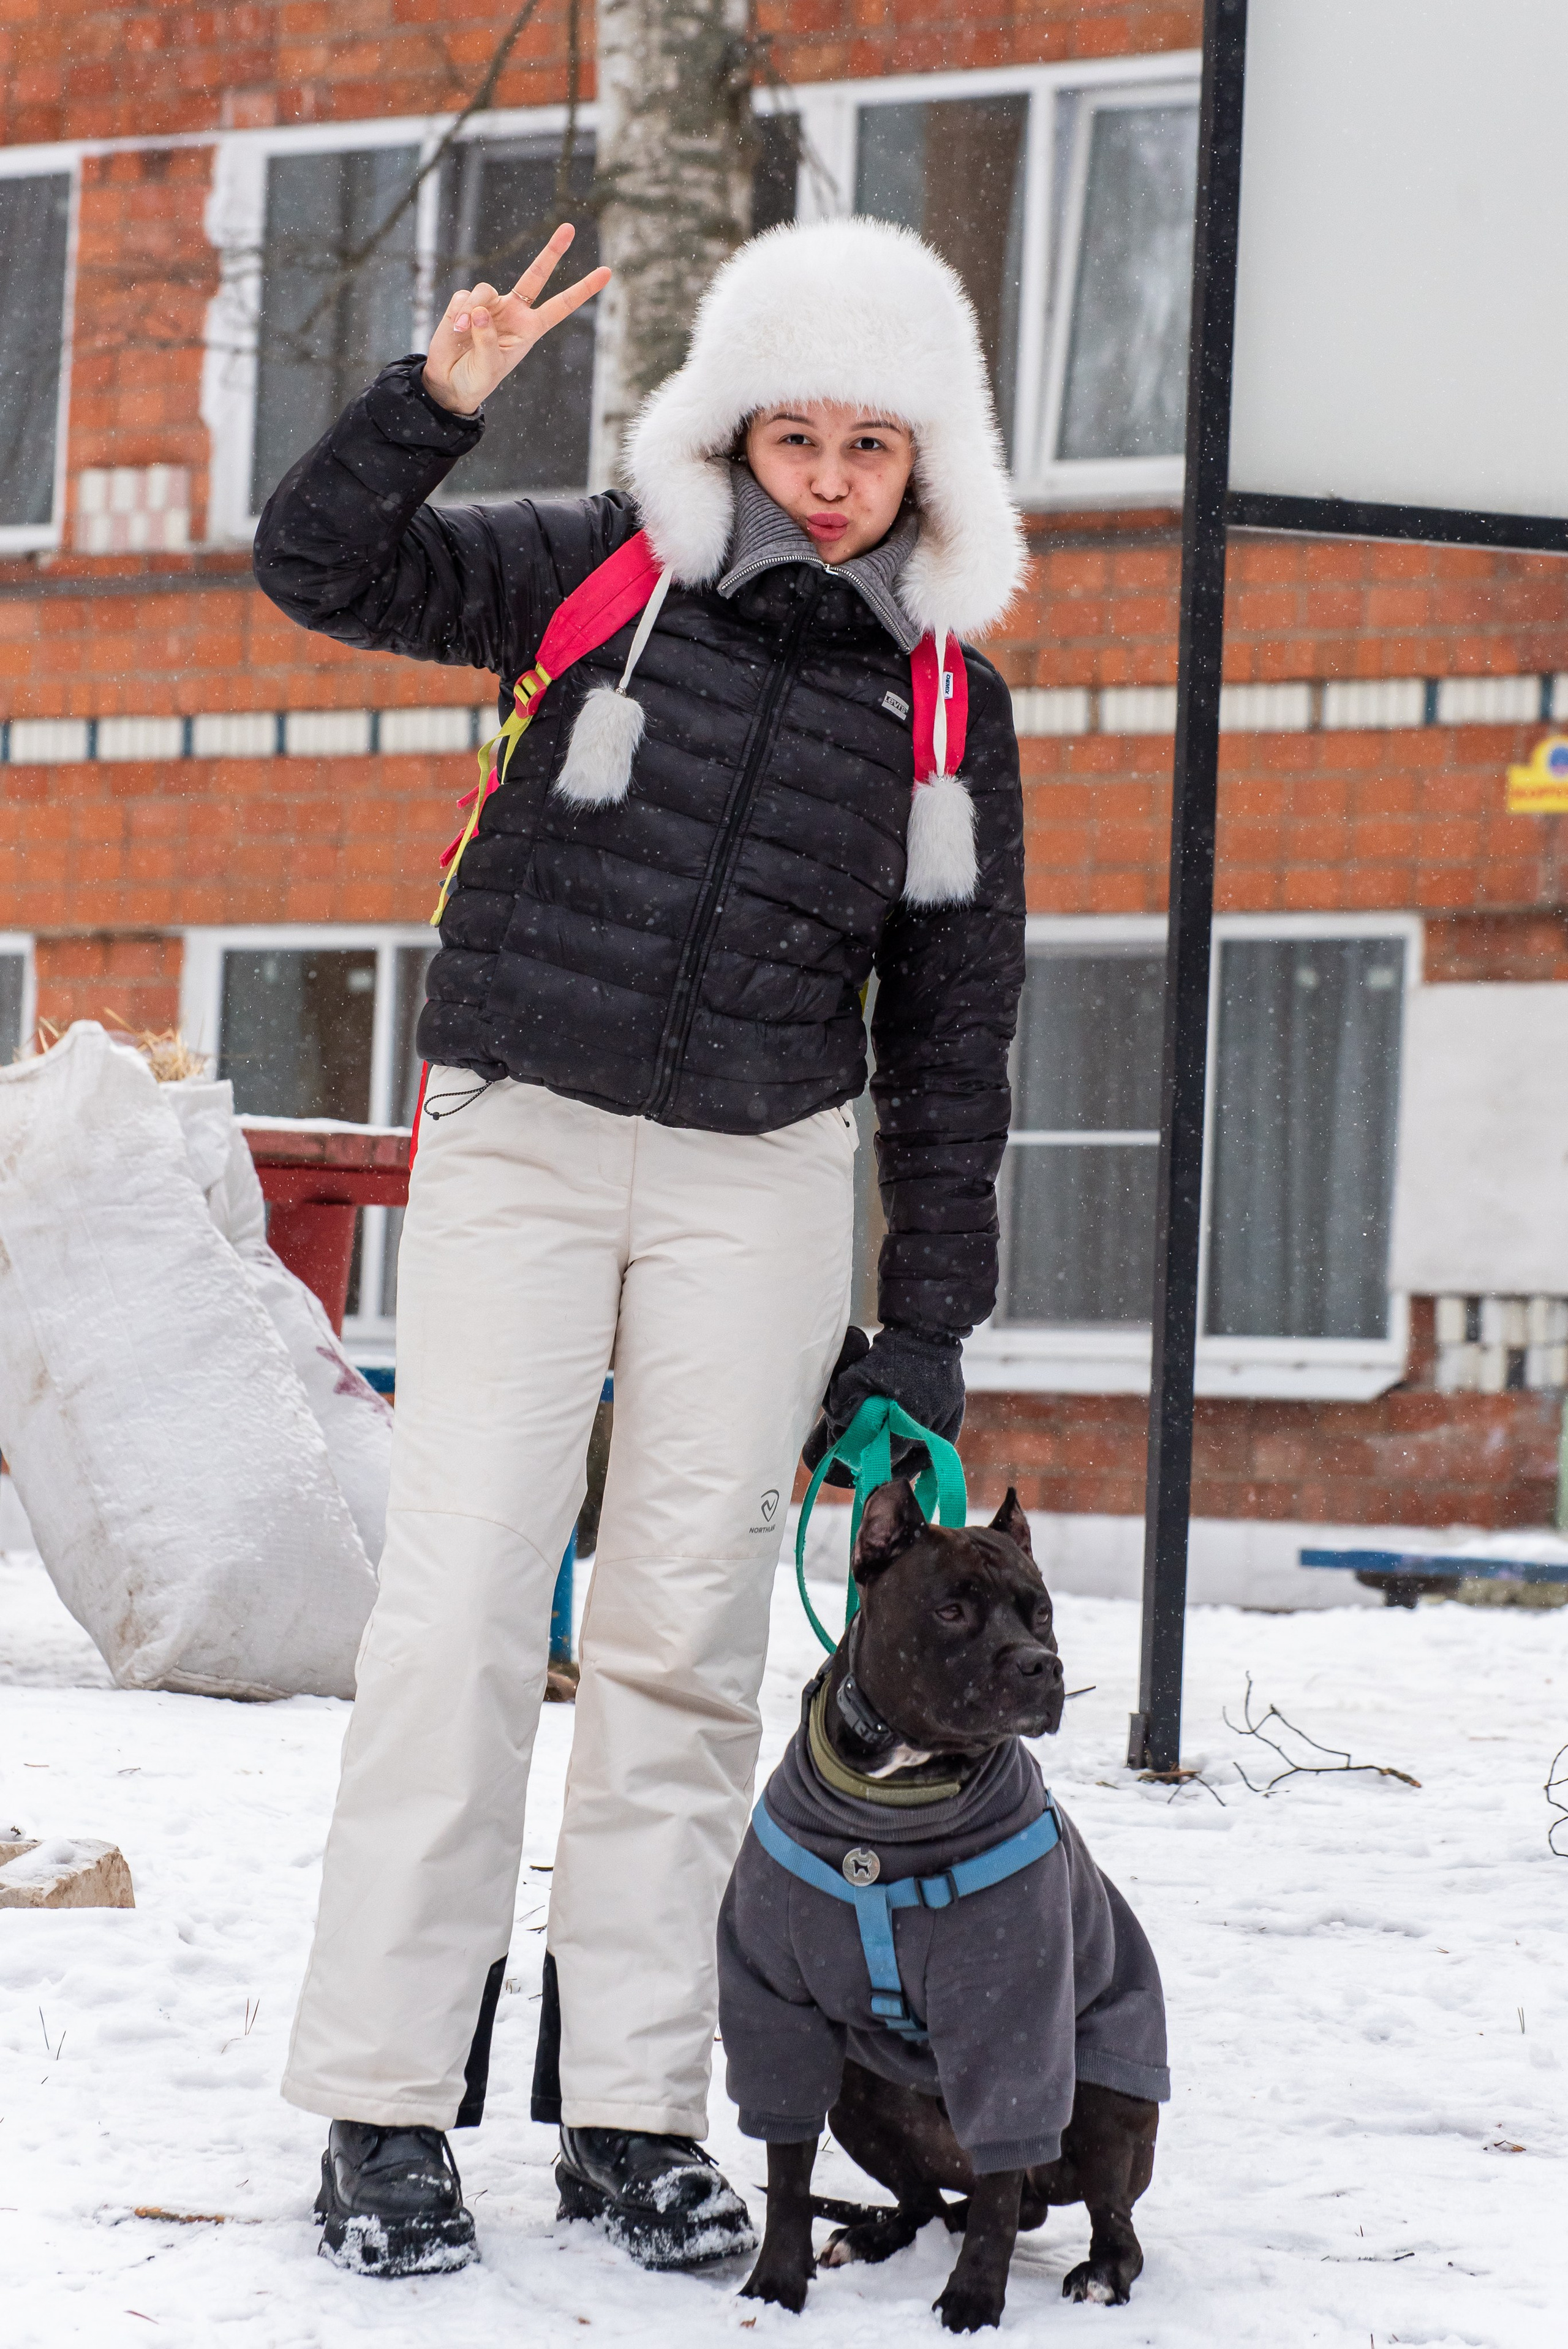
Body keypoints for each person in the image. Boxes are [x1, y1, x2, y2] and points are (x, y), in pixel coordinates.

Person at [252, 212, 1027, 2279]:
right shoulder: (601, 567)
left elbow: (954, 1044)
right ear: (736, 428)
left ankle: (633, 2110)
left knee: (685, 1643)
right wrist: (433, 403)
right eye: (798, 434)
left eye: (875, 443)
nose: (833, 479)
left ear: (930, 458)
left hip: (758, 1178)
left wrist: (922, 1331)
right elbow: (318, 568)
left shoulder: (945, 703)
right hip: (523, 1130)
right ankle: (384, 2104)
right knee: (459, 1614)